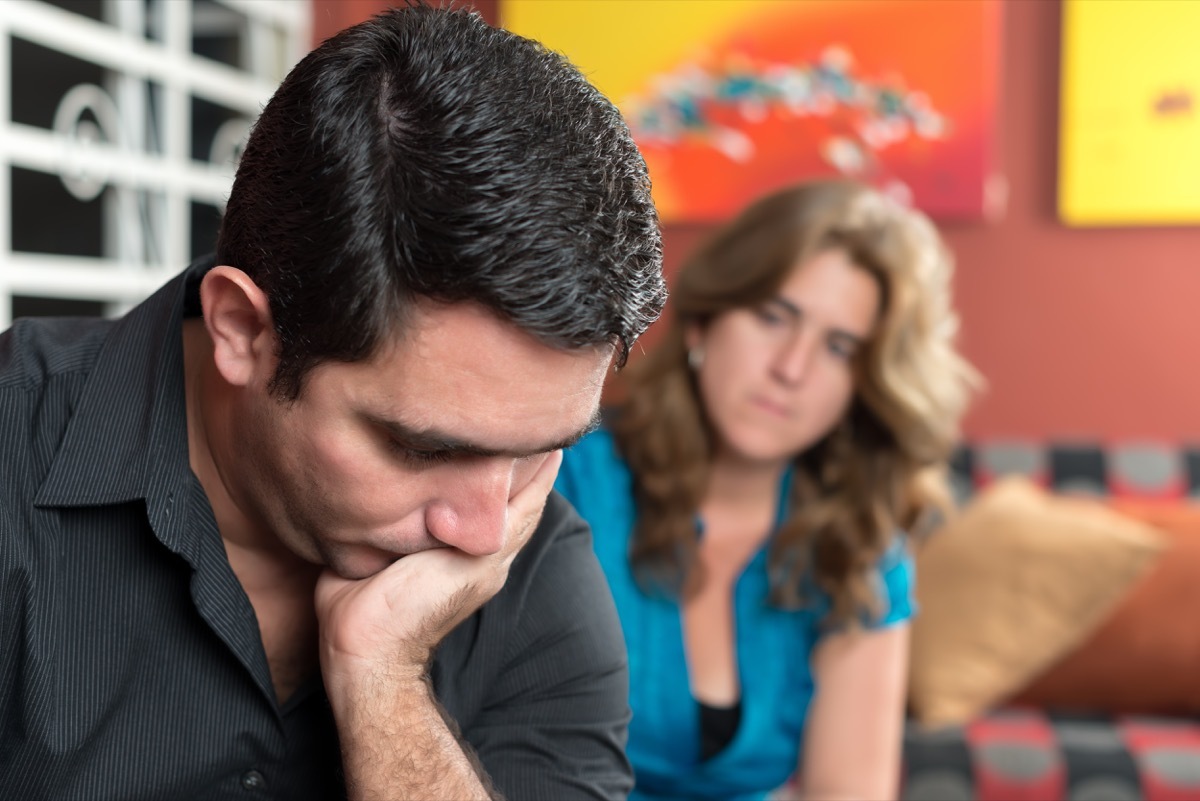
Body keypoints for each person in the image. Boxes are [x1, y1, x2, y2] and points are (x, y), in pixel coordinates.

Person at [0, 5, 665, 800]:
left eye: (539, 446)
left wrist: (383, 679)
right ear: (242, 329)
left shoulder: (532, 558)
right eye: (423, 448)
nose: (487, 529)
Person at [555, 179, 978, 801]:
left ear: (861, 386)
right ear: (703, 322)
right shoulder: (566, 483)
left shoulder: (858, 543)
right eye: (774, 317)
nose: (792, 369)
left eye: (839, 348)